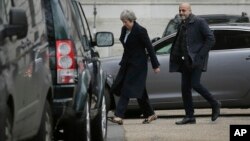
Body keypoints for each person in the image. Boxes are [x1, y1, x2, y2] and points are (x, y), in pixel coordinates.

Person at [169, 2, 221, 125]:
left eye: (184, 10)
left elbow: (210, 39)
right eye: (180, 10)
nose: (181, 13)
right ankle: (190, 116)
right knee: (185, 88)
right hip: (185, 61)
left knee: (195, 84)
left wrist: (200, 56)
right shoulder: (182, 24)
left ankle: (215, 103)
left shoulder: (199, 22)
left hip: (196, 60)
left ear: (190, 11)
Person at [109, 9, 160, 125]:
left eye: (125, 21)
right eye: (122, 21)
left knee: (127, 88)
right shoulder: (124, 30)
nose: (124, 24)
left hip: (138, 65)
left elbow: (150, 48)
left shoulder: (141, 31)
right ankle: (150, 113)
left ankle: (119, 115)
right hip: (127, 63)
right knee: (139, 90)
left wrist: (155, 65)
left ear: (132, 20)